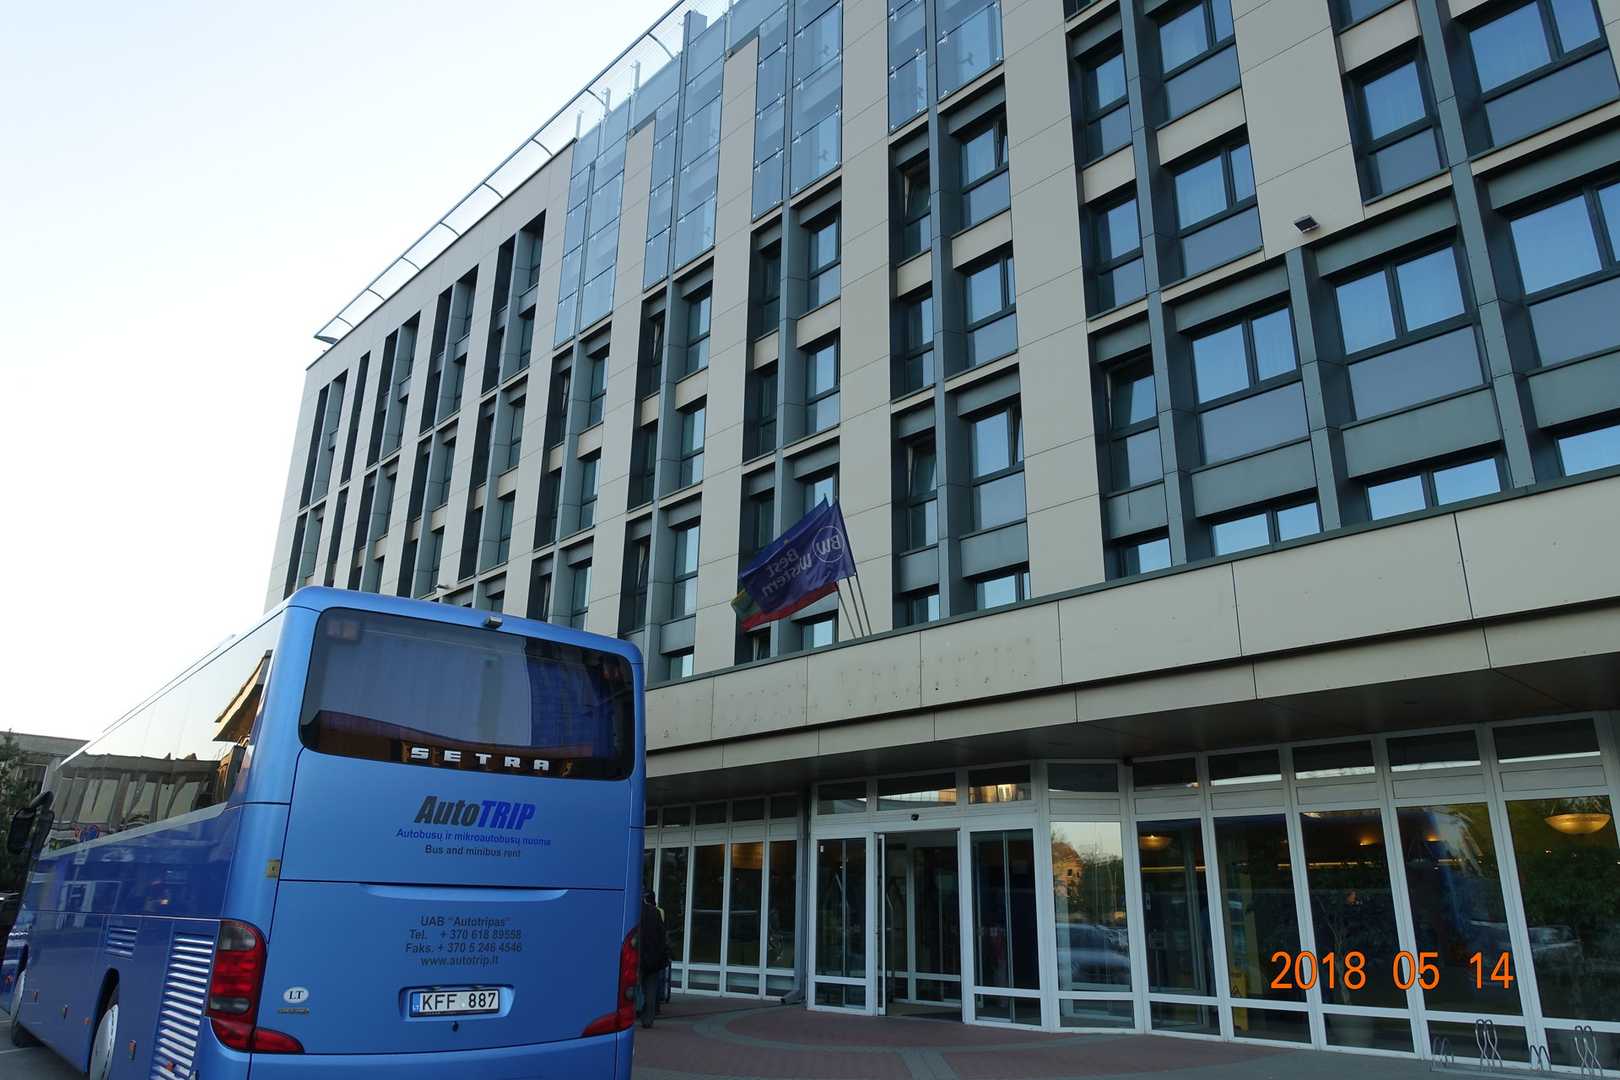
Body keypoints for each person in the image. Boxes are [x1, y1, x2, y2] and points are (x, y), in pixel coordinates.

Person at [638, 888, 670, 1028]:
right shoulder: (655, 912)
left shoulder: (632, 912)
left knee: (635, 987)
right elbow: (662, 935)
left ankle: (634, 1014)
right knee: (651, 990)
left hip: (637, 957)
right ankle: (648, 1019)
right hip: (653, 958)